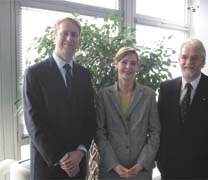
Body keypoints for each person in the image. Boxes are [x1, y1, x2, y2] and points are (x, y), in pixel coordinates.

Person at [23, 17, 96, 179]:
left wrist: (80, 151)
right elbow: (34, 122)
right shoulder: (35, 74)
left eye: (74, 34)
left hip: (78, 165)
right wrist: (63, 159)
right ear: (53, 36)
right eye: (65, 33)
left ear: (79, 39)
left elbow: (90, 117)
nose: (69, 38)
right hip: (48, 166)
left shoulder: (84, 74)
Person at [157, 38, 208, 180]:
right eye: (184, 57)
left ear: (203, 62)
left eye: (194, 58)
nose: (189, 62)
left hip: (203, 171)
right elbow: (161, 128)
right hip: (170, 169)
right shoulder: (166, 88)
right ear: (179, 60)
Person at [96, 47, 161, 179]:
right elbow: (99, 132)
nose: (128, 67)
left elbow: (155, 132)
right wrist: (114, 164)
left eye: (133, 63)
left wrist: (142, 163)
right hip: (111, 171)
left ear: (137, 67)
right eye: (124, 62)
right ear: (116, 64)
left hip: (140, 172)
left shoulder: (148, 95)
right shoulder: (104, 95)